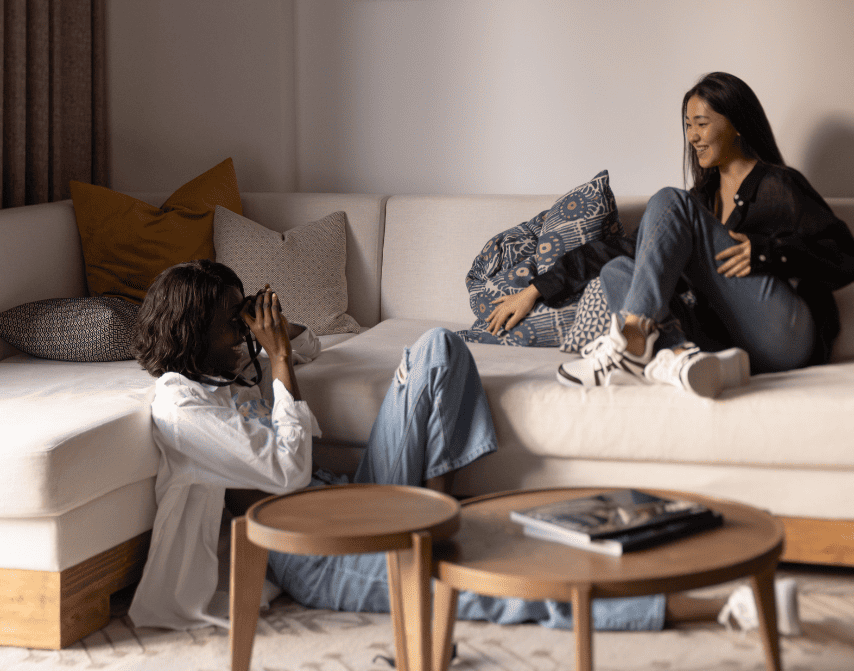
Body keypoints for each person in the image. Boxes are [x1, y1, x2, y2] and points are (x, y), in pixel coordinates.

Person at [128, 259, 666, 632]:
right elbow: (289, 472)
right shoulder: (183, 408)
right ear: (195, 333)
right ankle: (661, 608)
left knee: (438, 347)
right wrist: (280, 361)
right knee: (467, 590)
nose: (241, 332)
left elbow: (310, 345)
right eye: (231, 322)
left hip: (344, 495)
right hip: (308, 550)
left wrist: (275, 331)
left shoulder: (225, 368)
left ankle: (434, 519)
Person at [487, 72, 854, 397]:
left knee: (669, 200)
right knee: (617, 270)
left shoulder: (778, 185)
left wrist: (765, 252)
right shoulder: (703, 200)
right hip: (730, 346)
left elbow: (845, 257)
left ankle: (630, 346)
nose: (693, 136)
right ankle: (681, 358)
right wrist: (537, 289)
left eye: (702, 123)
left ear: (736, 124)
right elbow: (625, 249)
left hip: (786, 335)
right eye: (688, 125)